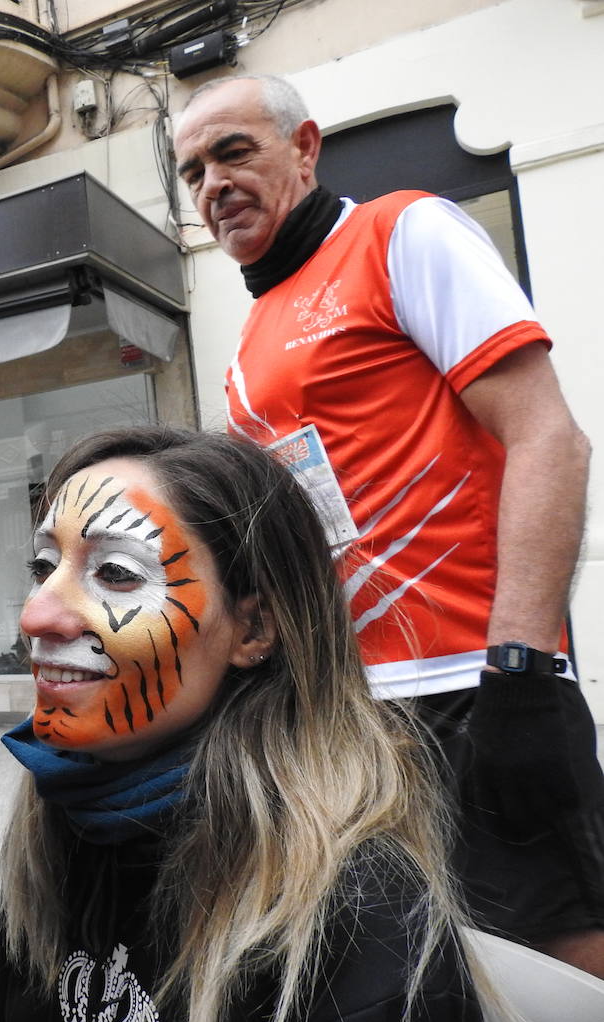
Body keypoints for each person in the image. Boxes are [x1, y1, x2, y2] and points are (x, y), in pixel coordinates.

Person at [171, 73, 604, 975]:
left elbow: (550, 439)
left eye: (233, 151)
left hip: (476, 685)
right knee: (428, 968)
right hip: (356, 712)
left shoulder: (401, 230)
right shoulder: (252, 339)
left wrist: (520, 669)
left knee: (558, 955)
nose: (212, 183)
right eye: (192, 172)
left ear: (306, 147)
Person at [0, 426, 484, 1022]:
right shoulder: (61, 834)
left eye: (118, 573)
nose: (36, 613)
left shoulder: (358, 918)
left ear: (252, 630)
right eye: (43, 566)